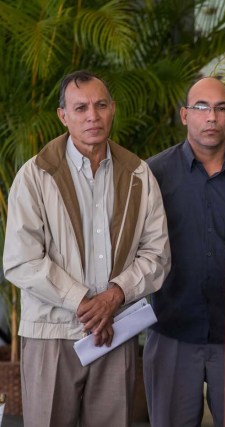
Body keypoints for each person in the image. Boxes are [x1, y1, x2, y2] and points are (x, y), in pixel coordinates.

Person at [2, 70, 171, 426]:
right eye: (80, 108)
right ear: (63, 116)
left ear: (113, 109)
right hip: (51, 333)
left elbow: (156, 255)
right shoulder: (35, 176)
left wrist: (114, 296)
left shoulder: (139, 174)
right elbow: (21, 260)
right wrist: (83, 302)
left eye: (101, 105)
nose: (92, 115)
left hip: (115, 330)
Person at [143, 77, 225, 426]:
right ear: (184, 115)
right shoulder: (153, 174)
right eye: (201, 107)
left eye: (220, 108)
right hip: (172, 330)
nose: (211, 117)